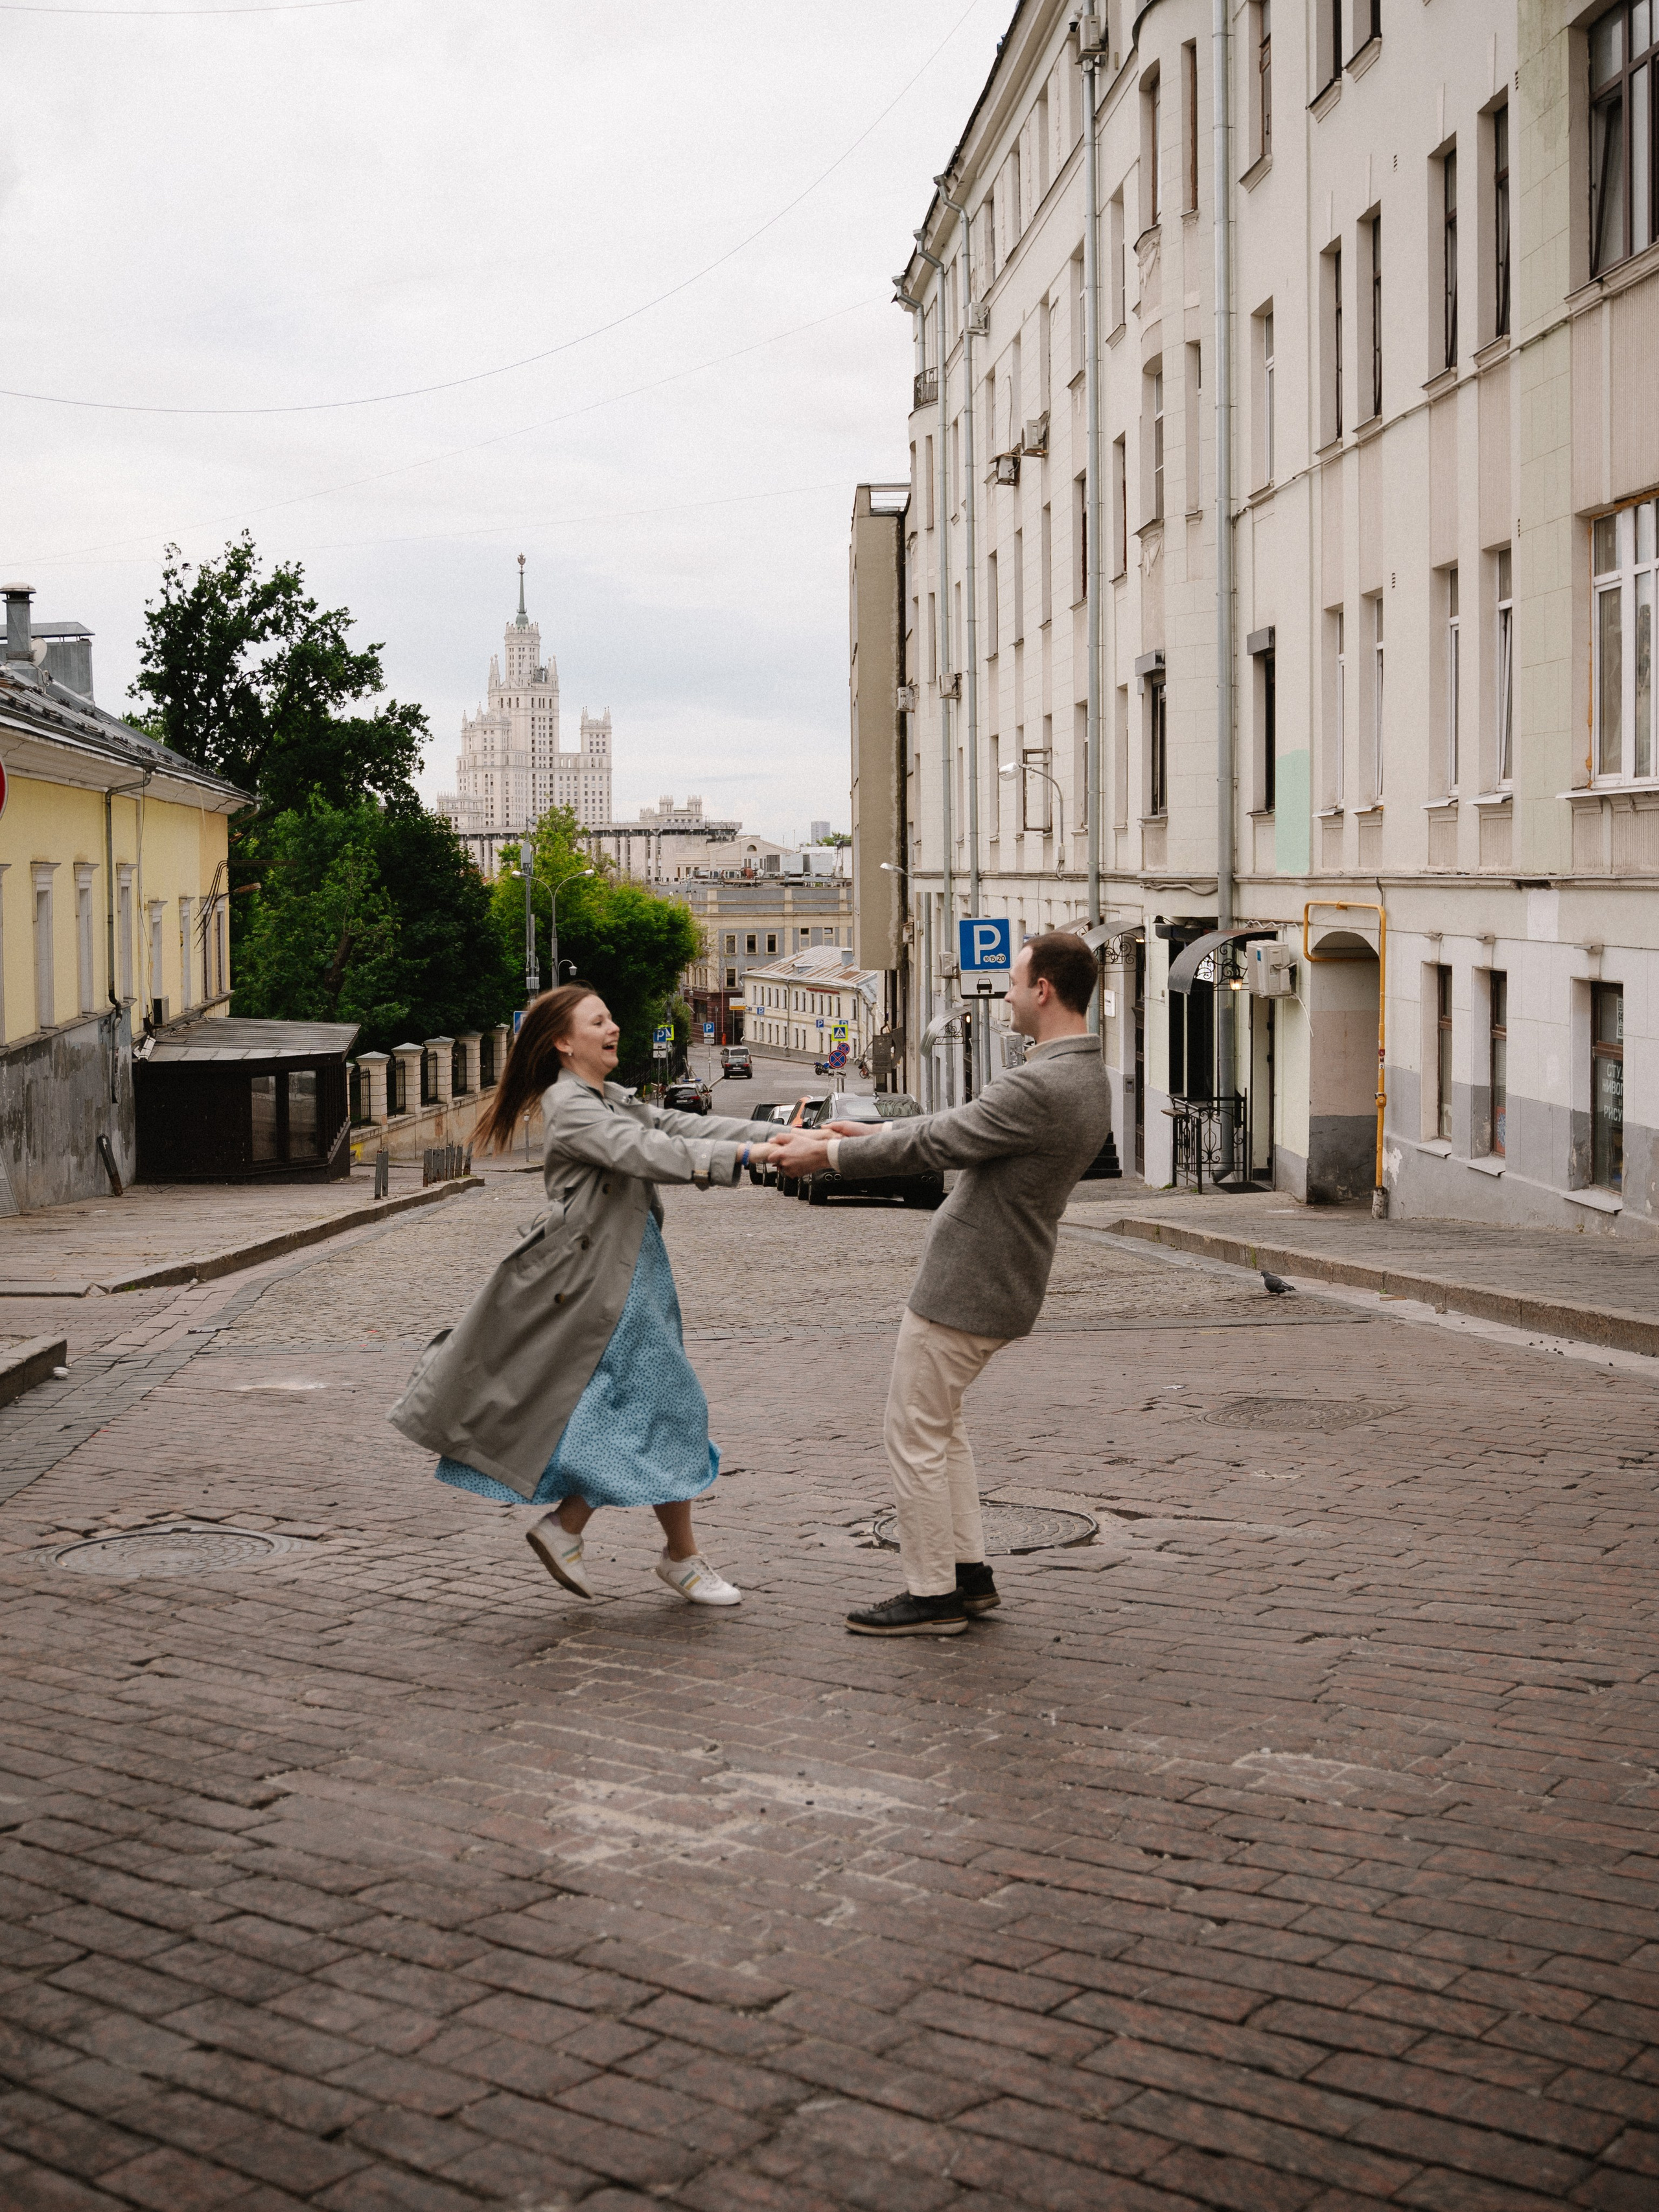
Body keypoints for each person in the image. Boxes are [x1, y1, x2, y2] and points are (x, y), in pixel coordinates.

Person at [389, 983, 781, 1607]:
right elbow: (648, 1150)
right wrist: (747, 1154)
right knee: (669, 1407)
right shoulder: (571, 1106)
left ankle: (616, 1540)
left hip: (631, 1270)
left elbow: (678, 1124)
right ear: (564, 1043)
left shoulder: (607, 1097)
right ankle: (636, 1545)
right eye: (597, 1021)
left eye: (610, 1016)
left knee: (647, 1409)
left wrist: (780, 1134)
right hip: (599, 1282)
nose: (613, 1027)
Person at [771, 931, 1111, 1637]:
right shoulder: (1081, 1075)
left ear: (1043, 988)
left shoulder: (1042, 1083)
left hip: (968, 1281)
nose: (1007, 995)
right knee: (942, 1428)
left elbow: (940, 1142)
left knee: (913, 1433)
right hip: (999, 1275)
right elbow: (966, 1126)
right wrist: (867, 1136)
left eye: (1014, 982)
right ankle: (967, 1572)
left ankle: (932, 1593)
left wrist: (828, 1155)